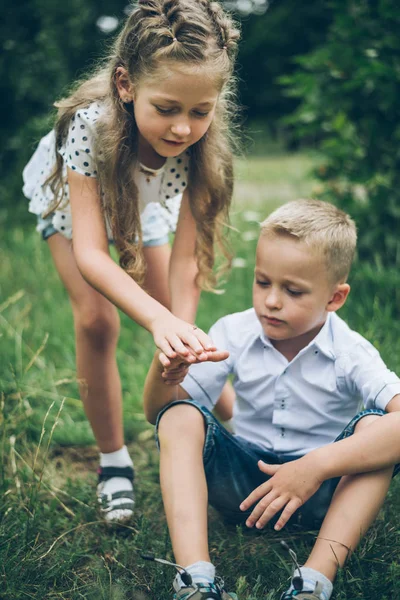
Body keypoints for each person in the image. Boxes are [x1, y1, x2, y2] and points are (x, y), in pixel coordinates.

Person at [22, 0, 240, 524]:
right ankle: (113, 461)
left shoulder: (202, 150)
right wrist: (157, 320)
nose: (184, 128)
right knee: (98, 321)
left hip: (146, 207)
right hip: (77, 208)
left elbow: (186, 263)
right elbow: (92, 253)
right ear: (125, 84)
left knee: (180, 324)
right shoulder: (87, 127)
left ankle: (242, 429)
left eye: (200, 111)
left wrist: (177, 329)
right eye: (166, 108)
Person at [143, 199, 400, 600]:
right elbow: (156, 413)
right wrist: (166, 375)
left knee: (375, 428)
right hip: (244, 490)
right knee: (179, 414)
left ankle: (313, 583)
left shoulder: (351, 351)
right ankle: (195, 579)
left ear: (335, 298)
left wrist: (316, 465)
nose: (272, 301)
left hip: (323, 495)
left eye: (293, 290)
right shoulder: (233, 332)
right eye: (263, 282)